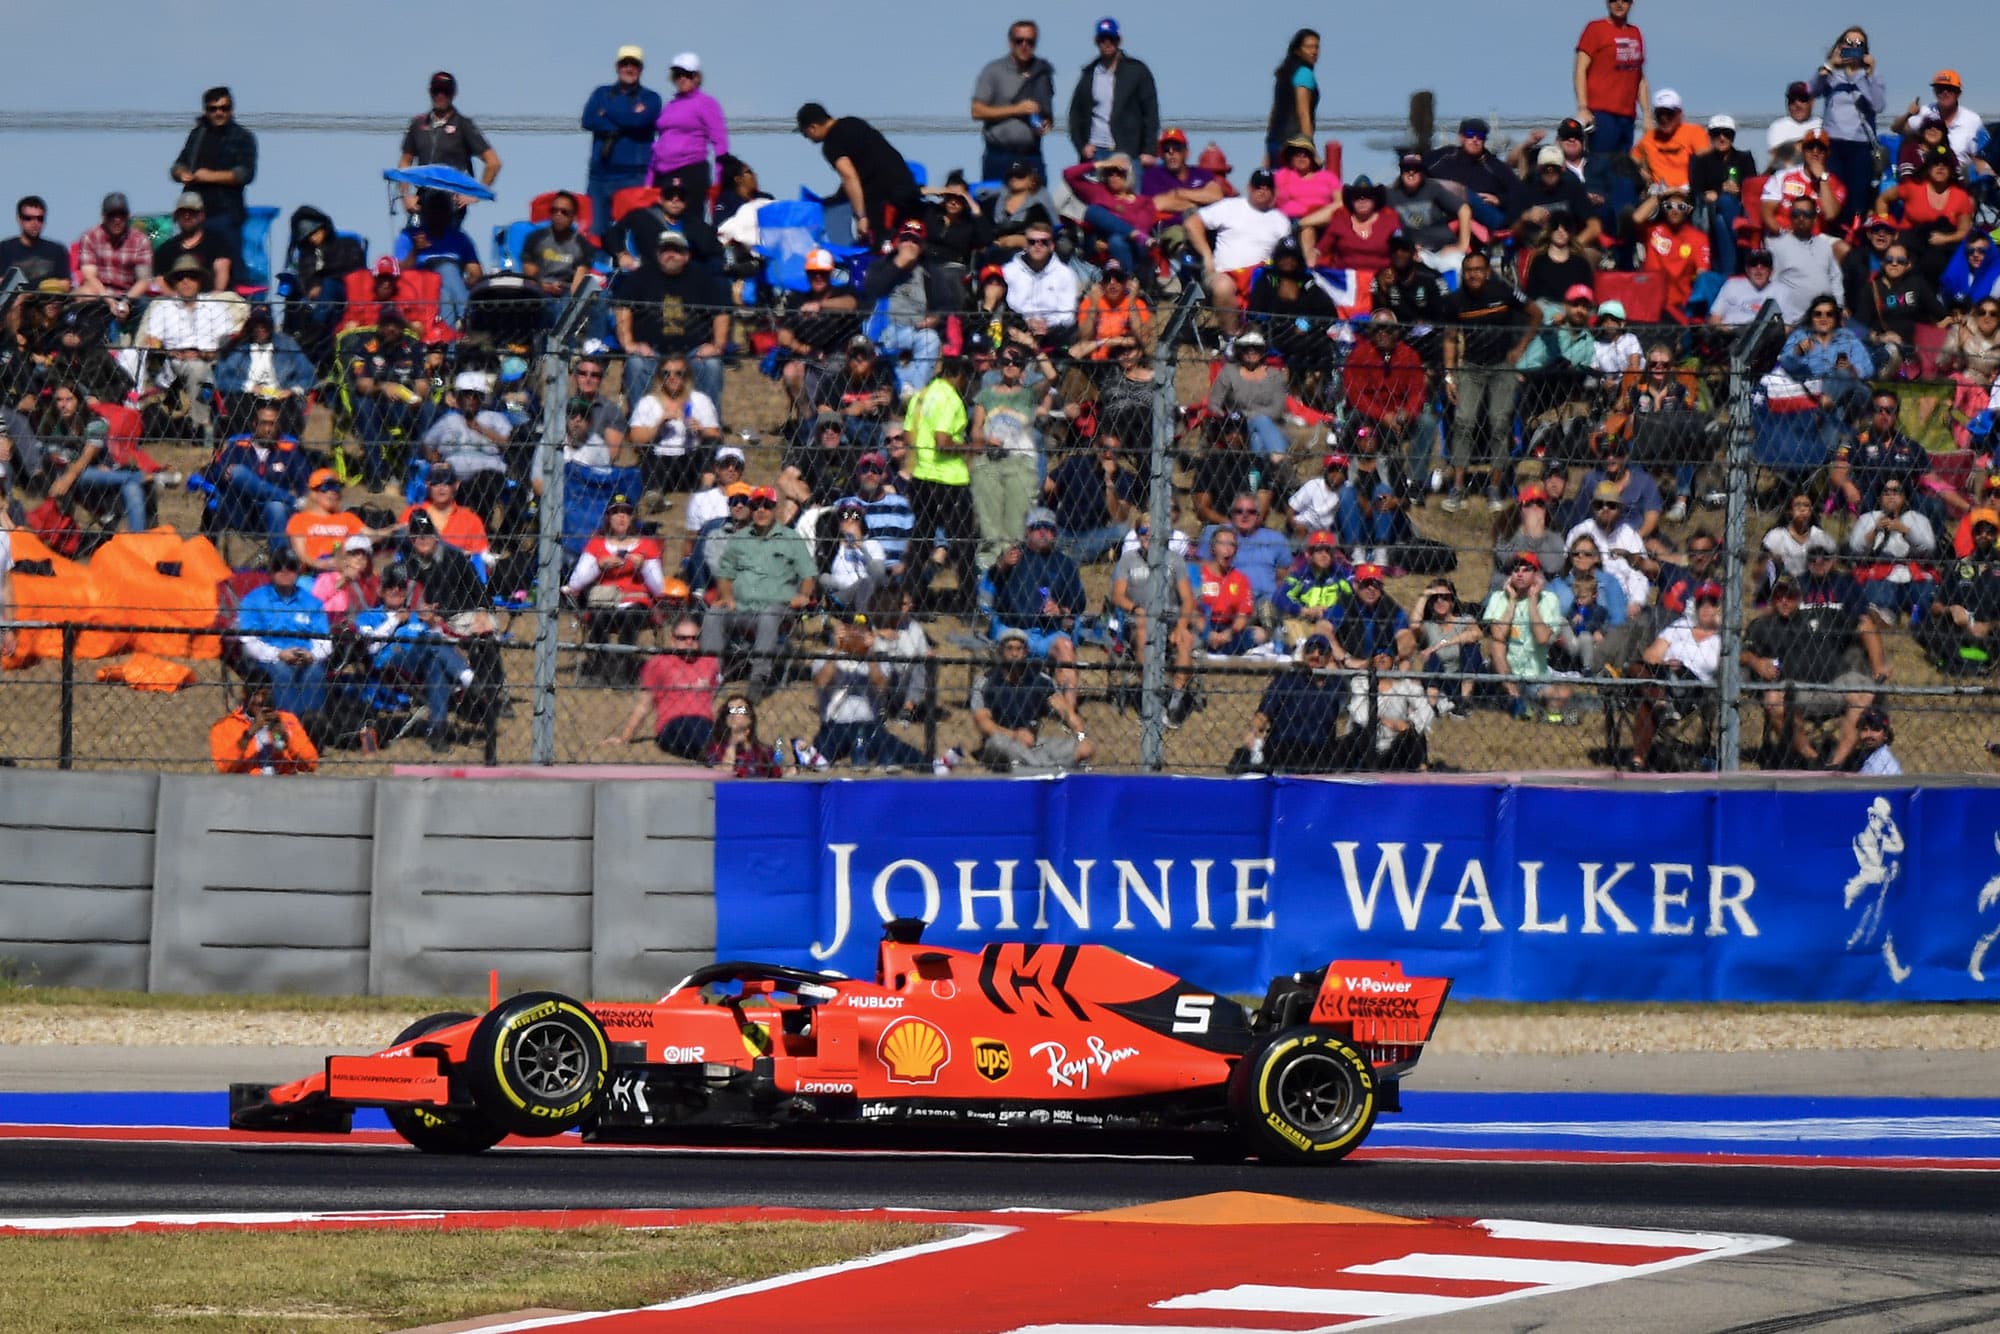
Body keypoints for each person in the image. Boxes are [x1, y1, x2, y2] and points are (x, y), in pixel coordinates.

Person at [1742, 573, 1877, 769]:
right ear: (1772, 597)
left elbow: (1863, 623)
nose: (1784, 601)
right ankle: (1811, 759)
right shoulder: (1762, 625)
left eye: (1790, 596)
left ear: (1799, 597)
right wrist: (1756, 662)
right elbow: (1740, 653)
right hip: (1793, 692)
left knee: (1864, 692)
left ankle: (1836, 764)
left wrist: (1879, 664)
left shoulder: (1821, 614)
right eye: (1779, 596)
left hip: (1831, 686)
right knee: (1773, 701)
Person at [1443, 252, 1537, 511]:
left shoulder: (1504, 292)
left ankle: (1495, 487)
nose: (1474, 274)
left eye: (1478, 269)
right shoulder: (1455, 301)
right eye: (1469, 270)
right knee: (1463, 421)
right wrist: (1449, 375)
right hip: (1471, 367)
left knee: (1500, 423)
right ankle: (1458, 487)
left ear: (1487, 271)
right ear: (1464, 273)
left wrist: (1520, 348)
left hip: (1501, 367)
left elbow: (1536, 314)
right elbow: (1450, 339)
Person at [703, 486, 816, 699]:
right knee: (713, 614)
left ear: (776, 508)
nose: (761, 510)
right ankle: (711, 675)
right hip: (741, 608)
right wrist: (726, 597)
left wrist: (804, 595)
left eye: (767, 505)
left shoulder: (791, 538)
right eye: (755, 506)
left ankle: (759, 677)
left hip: (778, 609)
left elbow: (809, 574)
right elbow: (725, 574)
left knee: (769, 614)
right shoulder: (739, 539)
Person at [353, 566, 476, 752]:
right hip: (391, 665)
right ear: (380, 590)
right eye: (390, 585)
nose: (396, 590)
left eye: (401, 586)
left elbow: (443, 644)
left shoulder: (417, 616)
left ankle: (437, 731)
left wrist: (432, 624)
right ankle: (468, 678)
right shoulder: (368, 616)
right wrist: (394, 620)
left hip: (420, 669)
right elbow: (371, 648)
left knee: (435, 664)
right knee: (429, 643)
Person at [989, 505, 1087, 708]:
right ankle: (1010, 709)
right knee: (1012, 649)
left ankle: (1069, 715)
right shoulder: (1013, 557)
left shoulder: (1065, 564)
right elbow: (991, 583)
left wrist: (1060, 610)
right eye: (1038, 527)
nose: (1044, 532)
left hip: (1047, 633)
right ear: (1027, 532)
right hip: (1013, 628)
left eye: (1049, 528)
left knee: (1066, 647)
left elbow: (1079, 602)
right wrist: (1002, 565)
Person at [805, 613, 926, 771]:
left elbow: (881, 686)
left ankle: (924, 763)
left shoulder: (876, 660)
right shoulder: (826, 657)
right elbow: (821, 682)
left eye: (860, 633)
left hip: (868, 727)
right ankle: (891, 759)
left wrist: (869, 653)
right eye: (851, 631)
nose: (855, 637)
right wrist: (836, 648)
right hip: (834, 728)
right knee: (884, 741)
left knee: (886, 739)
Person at [902, 355, 978, 602]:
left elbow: (907, 435)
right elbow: (943, 441)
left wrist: (920, 460)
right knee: (966, 544)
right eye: (967, 379)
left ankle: (910, 597)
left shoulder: (922, 395)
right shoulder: (950, 398)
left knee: (920, 542)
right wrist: (970, 447)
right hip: (950, 480)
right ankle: (968, 601)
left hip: (922, 477)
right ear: (960, 376)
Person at [1110, 518, 1198, 725]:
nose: (1148, 535)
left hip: (1170, 621)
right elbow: (1117, 596)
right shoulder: (1128, 561)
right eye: (1143, 531)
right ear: (1137, 534)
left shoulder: (1175, 561)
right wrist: (1135, 608)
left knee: (1185, 638)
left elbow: (1187, 600)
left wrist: (1180, 627)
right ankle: (1150, 696)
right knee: (1143, 631)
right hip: (1139, 621)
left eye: (1153, 531)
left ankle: (1175, 700)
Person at [1628, 581, 1725, 770]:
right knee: (1635, 667)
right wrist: (1665, 663)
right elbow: (1650, 654)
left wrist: (1681, 667)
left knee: (1644, 703)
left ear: (1719, 607)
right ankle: (1661, 704)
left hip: (1693, 690)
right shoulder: (1681, 626)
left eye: (1711, 603)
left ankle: (1638, 759)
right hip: (1663, 679)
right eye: (1701, 603)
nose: (1705, 608)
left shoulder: (1723, 638)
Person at [597, 614, 719, 760]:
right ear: (673, 640)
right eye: (683, 638)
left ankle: (716, 753)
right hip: (673, 724)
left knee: (713, 727)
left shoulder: (710, 662)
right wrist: (624, 738)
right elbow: (643, 706)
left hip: (705, 723)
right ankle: (715, 755)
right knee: (692, 727)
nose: (689, 642)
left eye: (694, 638)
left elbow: (716, 705)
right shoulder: (659, 663)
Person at [137, 253, 234, 435]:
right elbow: (151, 339)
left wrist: (205, 354)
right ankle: (200, 427)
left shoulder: (215, 306)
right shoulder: (163, 307)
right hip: (174, 362)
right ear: (174, 282)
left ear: (200, 281)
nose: (186, 281)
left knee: (198, 367)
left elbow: (227, 340)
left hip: (213, 360)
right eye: (180, 277)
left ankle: (199, 425)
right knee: (195, 368)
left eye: (192, 276)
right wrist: (168, 351)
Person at [796, 102, 920, 244]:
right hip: (908, 189)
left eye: (805, 133)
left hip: (883, 200)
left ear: (813, 127)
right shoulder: (854, 123)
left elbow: (849, 176)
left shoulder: (831, 143)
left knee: (881, 248)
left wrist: (861, 217)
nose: (807, 138)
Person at [1185, 169, 1292, 331]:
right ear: (1249, 187)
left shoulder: (1281, 221)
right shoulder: (1229, 206)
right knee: (1223, 287)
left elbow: (1286, 254)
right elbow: (1192, 223)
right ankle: (1231, 338)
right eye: (1258, 186)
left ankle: (1268, 339)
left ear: (1274, 192)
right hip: (1223, 273)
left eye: (1267, 187)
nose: (1262, 190)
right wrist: (1207, 255)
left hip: (1262, 278)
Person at [235, 547, 331, 718]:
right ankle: (289, 726)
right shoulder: (254, 599)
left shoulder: (312, 602)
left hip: (306, 657)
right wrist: (278, 654)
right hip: (268, 659)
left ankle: (313, 727)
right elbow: (248, 641)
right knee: (282, 672)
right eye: (279, 566)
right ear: (270, 570)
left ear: (299, 570)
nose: (285, 570)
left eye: (291, 566)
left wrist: (312, 655)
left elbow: (325, 641)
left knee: (315, 672)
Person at [581, 46, 662, 238]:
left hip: (634, 176)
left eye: (634, 64)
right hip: (599, 176)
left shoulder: (651, 98)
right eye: (625, 63)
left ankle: (634, 268)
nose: (629, 68)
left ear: (641, 69)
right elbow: (588, 120)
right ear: (617, 67)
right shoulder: (601, 93)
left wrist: (607, 112)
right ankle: (597, 269)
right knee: (595, 233)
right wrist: (629, 117)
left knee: (637, 234)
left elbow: (641, 121)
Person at [205, 401, 308, 552]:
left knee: (276, 507)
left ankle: (279, 564)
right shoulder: (238, 446)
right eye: (263, 423)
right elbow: (213, 475)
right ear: (254, 424)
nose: (268, 429)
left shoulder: (289, 450)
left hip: (272, 514)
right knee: (238, 472)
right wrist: (224, 473)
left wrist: (305, 498)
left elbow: (306, 483)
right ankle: (291, 500)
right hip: (241, 510)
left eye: (272, 424)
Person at [1483, 552, 1573, 721]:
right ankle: (1515, 697)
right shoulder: (1499, 597)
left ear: (1536, 575)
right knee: (1496, 645)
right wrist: (1511, 601)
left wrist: (1532, 601)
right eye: (1516, 569)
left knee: (1565, 692)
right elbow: (1499, 634)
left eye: (1526, 570)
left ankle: (1536, 708)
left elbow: (1542, 638)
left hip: (1537, 674)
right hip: (1506, 672)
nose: (1519, 573)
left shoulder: (1549, 599)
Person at [397, 72, 500, 214]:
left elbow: (493, 162)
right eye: (436, 90)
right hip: (422, 200)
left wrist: (476, 194)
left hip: (451, 203)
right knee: (413, 235)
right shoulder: (418, 124)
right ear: (430, 92)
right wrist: (406, 196)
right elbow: (405, 162)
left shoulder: (464, 125)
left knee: (442, 235)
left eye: (446, 91)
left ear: (454, 93)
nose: (441, 95)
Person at [628, 351, 721, 506]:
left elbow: (716, 436)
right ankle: (654, 495)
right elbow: (634, 437)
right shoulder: (648, 402)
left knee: (709, 444)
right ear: (659, 377)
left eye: (679, 373)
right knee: (648, 451)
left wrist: (701, 429)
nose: (672, 377)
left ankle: (706, 488)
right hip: (661, 460)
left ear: (687, 376)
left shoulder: (700, 400)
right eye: (666, 373)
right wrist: (658, 426)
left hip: (691, 459)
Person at [170, 86, 257, 246]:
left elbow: (245, 173)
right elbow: (178, 165)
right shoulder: (197, 135)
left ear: (231, 109)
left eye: (224, 108)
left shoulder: (243, 137)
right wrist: (181, 173)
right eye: (213, 109)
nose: (219, 113)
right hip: (194, 213)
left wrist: (209, 176)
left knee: (228, 266)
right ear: (206, 111)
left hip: (225, 213)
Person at [420, 373, 512, 524]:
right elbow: (428, 443)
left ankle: (480, 525)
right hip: (455, 475)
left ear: (482, 398)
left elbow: (509, 443)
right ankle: (460, 524)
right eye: (466, 395)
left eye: (475, 396)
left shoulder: (494, 417)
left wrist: (482, 430)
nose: (471, 400)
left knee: (484, 480)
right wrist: (435, 460)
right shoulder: (449, 419)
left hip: (489, 474)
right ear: (459, 398)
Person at [972, 20, 1057, 183]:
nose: (1024, 45)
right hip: (999, 155)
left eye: (1030, 41)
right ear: (1010, 42)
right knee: (994, 205)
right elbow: (977, 111)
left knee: (1035, 206)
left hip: (1031, 155)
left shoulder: (1042, 73)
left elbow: (1047, 112)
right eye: (1019, 41)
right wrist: (1016, 109)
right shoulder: (993, 71)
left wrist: (1047, 123)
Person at [1243, 635, 1344, 772]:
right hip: (1286, 749)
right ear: (1303, 653)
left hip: (1320, 754)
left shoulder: (1335, 684)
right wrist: (1253, 731)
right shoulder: (1289, 679)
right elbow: (1265, 711)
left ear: (1329, 656)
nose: (1315, 654)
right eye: (1310, 649)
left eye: (1322, 651)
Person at [1066, 16, 1159, 164]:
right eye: (1103, 39)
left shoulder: (1137, 71)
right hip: (1096, 153)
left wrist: (1149, 150)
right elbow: (1075, 115)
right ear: (1096, 42)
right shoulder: (1089, 74)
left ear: (1119, 40)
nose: (1107, 43)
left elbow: (1151, 113)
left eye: (1112, 38)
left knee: (1129, 188)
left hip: (1129, 153)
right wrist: (1082, 146)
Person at [214, 304, 313, 438]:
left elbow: (309, 374)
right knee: (240, 408)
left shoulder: (287, 343)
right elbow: (222, 378)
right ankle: (247, 445)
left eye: (264, 325)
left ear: (271, 325)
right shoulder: (238, 346)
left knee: (290, 416)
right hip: (247, 395)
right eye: (256, 325)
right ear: (250, 325)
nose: (260, 329)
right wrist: (249, 386)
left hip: (280, 395)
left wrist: (292, 390)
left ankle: (286, 448)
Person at [1882, 146, 1976, 287]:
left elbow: (1964, 231)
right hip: (1909, 241)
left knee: (1936, 260)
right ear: (1928, 167)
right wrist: (1885, 222)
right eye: (1935, 163)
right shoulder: (1912, 187)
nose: (1940, 167)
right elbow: (1883, 199)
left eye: (1945, 164)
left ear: (1951, 170)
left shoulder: (1961, 196)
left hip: (1941, 245)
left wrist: (1945, 238)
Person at [1849, 479, 1937, 625]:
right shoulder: (1868, 518)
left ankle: (1918, 617)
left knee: (1923, 594)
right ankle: (1884, 616)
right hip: (1880, 572)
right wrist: (1875, 530)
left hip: (1912, 572)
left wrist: (1905, 531)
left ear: (1905, 496)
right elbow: (1856, 548)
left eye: (1896, 492)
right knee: (1879, 596)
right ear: (1879, 497)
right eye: (1886, 492)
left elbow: (1929, 548)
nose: (1891, 496)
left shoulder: (1917, 518)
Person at [645, 53, 728, 207]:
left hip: (690, 171)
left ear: (697, 77)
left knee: (690, 225)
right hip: (662, 174)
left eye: (687, 74)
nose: (682, 79)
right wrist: (649, 180)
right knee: (657, 225)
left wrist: (720, 180)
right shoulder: (670, 106)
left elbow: (720, 143)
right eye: (678, 74)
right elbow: (660, 144)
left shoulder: (706, 103)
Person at [1574, 0, 1650, 156]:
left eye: (1625, 0)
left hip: (1627, 116)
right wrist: (1583, 107)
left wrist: (1647, 114)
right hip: (1602, 113)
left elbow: (1639, 76)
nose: (1619, 4)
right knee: (1601, 166)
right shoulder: (1595, 29)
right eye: (1614, 0)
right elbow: (1580, 69)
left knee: (1622, 170)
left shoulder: (1635, 33)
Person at [1205, 329, 1291, 460]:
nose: (1251, 351)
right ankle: (1278, 461)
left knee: (1257, 436)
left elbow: (1277, 409)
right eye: (1246, 348)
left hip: (1272, 427)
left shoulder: (1274, 375)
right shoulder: (1229, 372)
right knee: (1258, 427)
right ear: (1239, 350)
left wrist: (1250, 415)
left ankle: (1259, 472)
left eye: (1256, 348)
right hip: (1238, 426)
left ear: (1263, 351)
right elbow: (1213, 403)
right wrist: (1227, 416)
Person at [1428, 118, 1521, 232]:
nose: (1475, 139)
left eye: (1480, 136)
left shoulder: (1495, 166)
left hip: (1484, 220)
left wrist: (1500, 200)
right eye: (1470, 134)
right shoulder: (1446, 156)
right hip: (1447, 217)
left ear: (1484, 140)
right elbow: (1417, 168)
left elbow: (1519, 193)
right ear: (1461, 138)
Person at [209, 683, 318, 775]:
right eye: (256, 694)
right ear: (245, 694)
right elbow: (225, 768)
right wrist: (252, 730)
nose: (261, 700)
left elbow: (311, 764)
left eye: (265, 694)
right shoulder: (226, 725)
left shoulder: (287, 719)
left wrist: (284, 736)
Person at [1768, 202, 1847, 324]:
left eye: (1807, 214)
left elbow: (1835, 277)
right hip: (1794, 322)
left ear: (1814, 219)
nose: (1801, 218)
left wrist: (1839, 307)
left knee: (1860, 335)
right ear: (1790, 217)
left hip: (1826, 320)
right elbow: (1771, 285)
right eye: (1796, 214)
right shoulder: (1777, 247)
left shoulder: (1824, 245)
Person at [74, 192, 152, 311]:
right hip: (100, 292)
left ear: (128, 216)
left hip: (130, 295)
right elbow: (89, 276)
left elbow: (144, 280)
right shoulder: (90, 237)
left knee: (149, 304)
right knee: (84, 293)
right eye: (112, 215)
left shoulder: (140, 240)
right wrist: (110, 301)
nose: (117, 220)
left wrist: (125, 303)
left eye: (122, 214)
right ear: (103, 216)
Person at [1195, 527, 1267, 656]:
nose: (1227, 549)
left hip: (1228, 628)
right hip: (1204, 625)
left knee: (1259, 634)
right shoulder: (1199, 575)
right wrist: (1209, 634)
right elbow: (1191, 609)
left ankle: (1218, 649)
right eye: (1222, 544)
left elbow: (1243, 614)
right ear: (1213, 548)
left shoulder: (1241, 579)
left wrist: (1228, 634)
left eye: (1231, 545)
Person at [521, 191, 600, 302]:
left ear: (573, 216)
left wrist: (571, 302)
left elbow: (577, 284)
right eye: (554, 210)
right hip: (538, 292)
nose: (558, 215)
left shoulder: (583, 246)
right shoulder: (535, 239)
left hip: (565, 294)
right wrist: (545, 287)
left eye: (564, 212)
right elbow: (529, 277)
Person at [287, 468, 364, 574]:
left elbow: (370, 537)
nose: (332, 492)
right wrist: (319, 564)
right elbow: (301, 554)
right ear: (313, 492)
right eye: (326, 487)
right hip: (313, 573)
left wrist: (391, 529)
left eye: (336, 487)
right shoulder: (299, 519)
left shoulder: (347, 517)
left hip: (345, 573)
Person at [152, 191, 232, 292]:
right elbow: (160, 280)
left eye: (192, 212)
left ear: (202, 215)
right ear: (176, 216)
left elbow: (222, 272)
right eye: (182, 213)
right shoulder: (165, 250)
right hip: (176, 302)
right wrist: (176, 301)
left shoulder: (218, 242)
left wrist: (212, 300)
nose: (187, 216)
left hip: (212, 299)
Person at [1264, 29, 1321, 167]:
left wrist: (1267, 153)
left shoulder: (1283, 74)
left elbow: (1274, 112)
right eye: (1308, 47)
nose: (1314, 51)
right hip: (1294, 144)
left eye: (1316, 47)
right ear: (1297, 50)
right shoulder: (1304, 73)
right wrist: (1311, 149)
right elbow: (1303, 113)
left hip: (1274, 141)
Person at [1141, 127, 1225, 213]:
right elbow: (1157, 204)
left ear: (1186, 153)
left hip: (1203, 224)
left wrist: (1178, 193)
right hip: (1170, 224)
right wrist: (1201, 203)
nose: (1171, 152)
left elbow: (1216, 195)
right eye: (1166, 149)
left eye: (1177, 148)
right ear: (1162, 154)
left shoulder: (1201, 173)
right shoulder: (1152, 175)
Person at [706, 693, 785, 777]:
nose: (734, 714)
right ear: (725, 719)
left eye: (740, 710)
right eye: (730, 710)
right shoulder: (716, 749)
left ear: (750, 718)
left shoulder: (765, 751)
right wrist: (733, 743)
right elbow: (724, 775)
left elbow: (778, 776)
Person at [0, 195, 70, 288]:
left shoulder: (57, 250)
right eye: (28, 218)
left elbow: (65, 282)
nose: (34, 223)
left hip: (47, 300)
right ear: (19, 219)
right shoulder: (4, 249)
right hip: (13, 300)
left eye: (40, 218)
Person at [1710, 248, 1780, 328]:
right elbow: (1714, 318)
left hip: (1764, 336)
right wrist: (1726, 332)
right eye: (1753, 264)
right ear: (1747, 269)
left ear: (1771, 270)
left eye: (1764, 265)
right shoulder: (1732, 285)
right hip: (1731, 335)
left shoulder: (1781, 291)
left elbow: (1787, 326)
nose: (1758, 270)